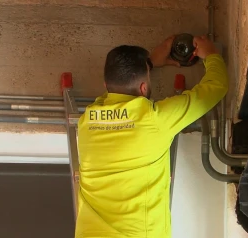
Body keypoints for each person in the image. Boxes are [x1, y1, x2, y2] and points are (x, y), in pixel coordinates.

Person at [76, 35, 228, 238]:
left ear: (105, 85)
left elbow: (115, 93)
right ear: (143, 88)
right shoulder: (154, 120)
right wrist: (211, 55)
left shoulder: (87, 122)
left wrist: (148, 64)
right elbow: (216, 87)